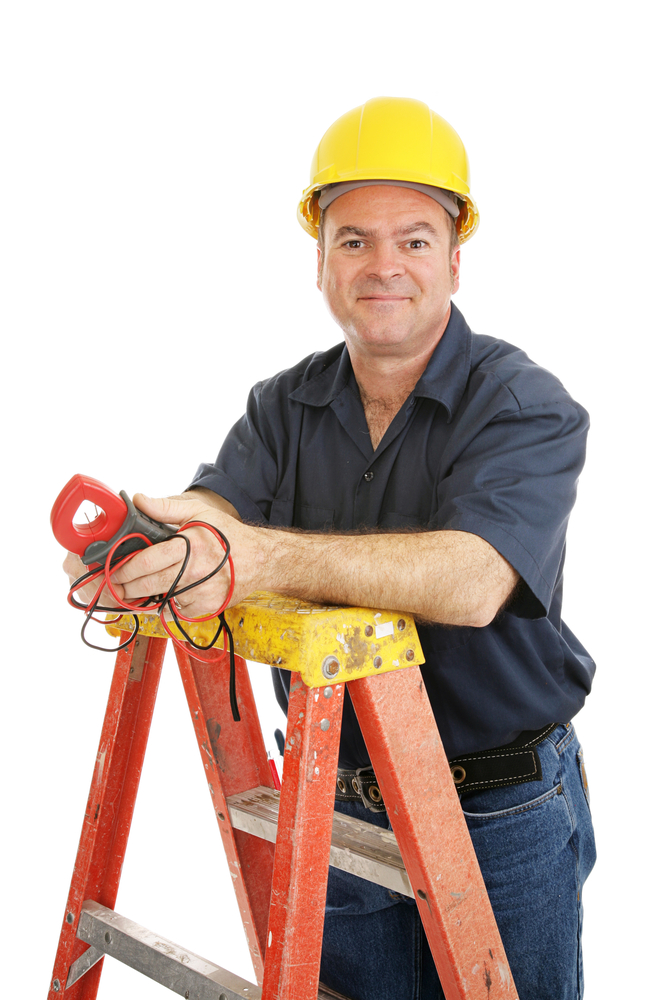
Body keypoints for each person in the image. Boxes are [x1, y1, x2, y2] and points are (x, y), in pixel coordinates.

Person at [65, 97, 596, 999]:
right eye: (352, 240)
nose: (382, 265)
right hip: (337, 795)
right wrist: (161, 541)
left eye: (413, 239)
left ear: (455, 259)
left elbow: (470, 581)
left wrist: (257, 558)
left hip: (498, 809)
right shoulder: (283, 404)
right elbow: (217, 505)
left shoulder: (524, 404)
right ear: (319, 260)